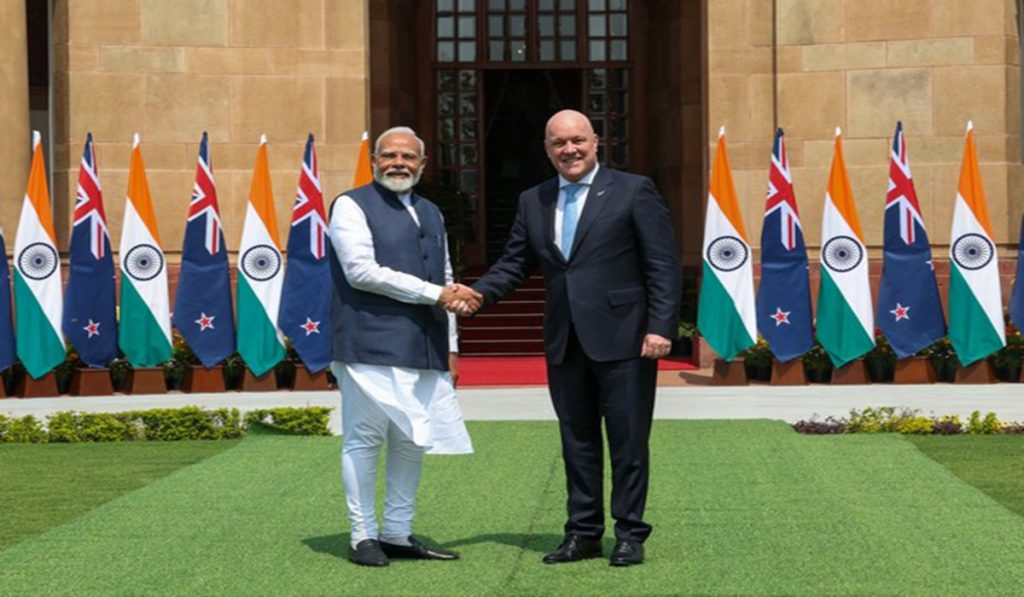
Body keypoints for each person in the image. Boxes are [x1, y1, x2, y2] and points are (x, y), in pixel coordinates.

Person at [456, 110, 682, 566]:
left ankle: (630, 534)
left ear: (596, 142)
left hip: (625, 337)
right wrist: (478, 294)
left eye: (577, 140)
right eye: (559, 143)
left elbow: (662, 263)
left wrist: (661, 327)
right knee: (576, 442)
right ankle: (582, 533)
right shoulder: (533, 200)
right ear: (547, 149)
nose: (569, 150)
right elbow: (515, 262)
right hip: (564, 339)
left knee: (628, 440)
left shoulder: (633, 190)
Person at [328, 126, 480, 567]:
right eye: (390, 155)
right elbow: (361, 271)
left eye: (409, 157)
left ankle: (396, 532)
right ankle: (362, 536)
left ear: (423, 163)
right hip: (367, 343)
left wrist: (451, 345)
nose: (399, 163)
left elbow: (445, 272)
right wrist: (435, 294)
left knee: (414, 439)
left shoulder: (431, 211)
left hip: (425, 344)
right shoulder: (350, 205)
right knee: (365, 438)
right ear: (374, 160)